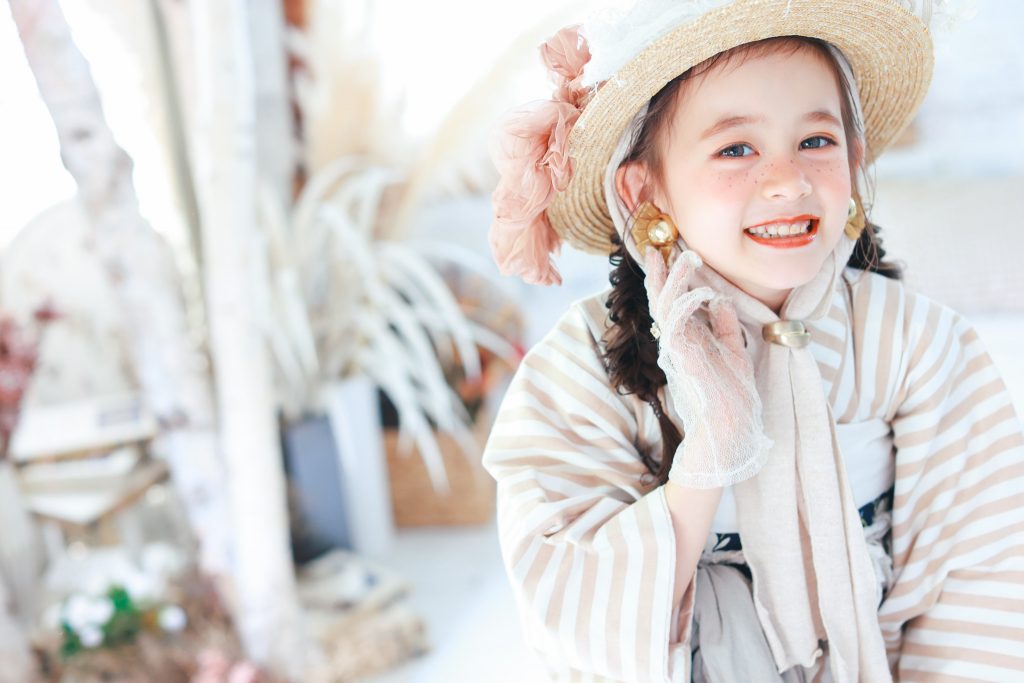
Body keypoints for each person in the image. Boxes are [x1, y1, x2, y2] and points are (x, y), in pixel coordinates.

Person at [480, 1, 1024, 681]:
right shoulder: (579, 369)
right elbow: (573, 614)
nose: (788, 180)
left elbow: (979, 583)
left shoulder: (916, 343)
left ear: (854, 161)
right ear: (644, 187)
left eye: (816, 142)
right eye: (736, 148)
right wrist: (709, 453)